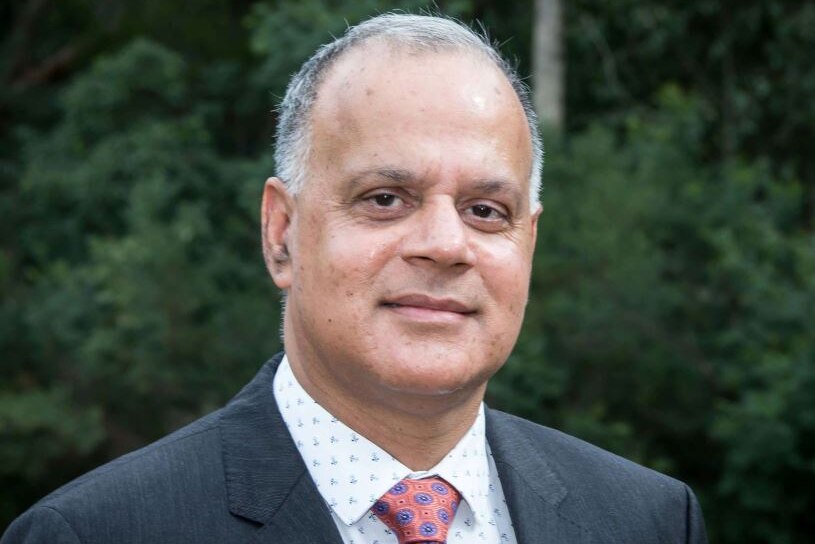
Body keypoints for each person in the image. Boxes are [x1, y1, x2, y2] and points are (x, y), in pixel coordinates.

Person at [2, 13, 707, 544]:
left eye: (485, 210)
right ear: (281, 233)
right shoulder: (96, 533)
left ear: (528, 242)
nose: (443, 244)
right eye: (384, 199)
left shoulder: (646, 520)